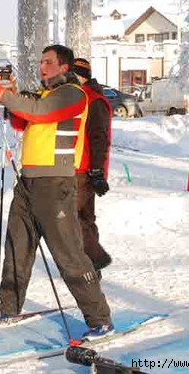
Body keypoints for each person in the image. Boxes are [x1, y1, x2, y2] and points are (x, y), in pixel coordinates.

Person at [0, 44, 113, 340]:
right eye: (40, 62)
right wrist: (7, 96)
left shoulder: (72, 94)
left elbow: (38, 112)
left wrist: (2, 94)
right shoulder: (44, 94)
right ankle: (8, 307)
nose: (42, 67)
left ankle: (99, 318)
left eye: (48, 62)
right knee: (17, 247)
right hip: (28, 182)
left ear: (65, 67)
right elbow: (23, 119)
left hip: (56, 184)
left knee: (69, 254)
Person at [71, 58, 113, 279]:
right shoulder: (83, 96)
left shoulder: (92, 99)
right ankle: (91, 267)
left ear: (81, 76)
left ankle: (94, 260)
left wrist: (97, 171)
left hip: (84, 168)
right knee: (84, 218)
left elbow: (100, 137)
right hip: (81, 166)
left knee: (73, 217)